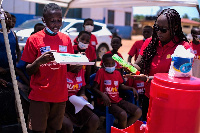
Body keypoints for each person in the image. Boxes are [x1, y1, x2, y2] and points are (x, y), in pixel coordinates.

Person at [125, 8, 191, 121]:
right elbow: (139, 64)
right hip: (149, 96)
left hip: (170, 100)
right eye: (156, 28)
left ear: (174, 28)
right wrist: (130, 68)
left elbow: (178, 78)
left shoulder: (183, 48)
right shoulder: (150, 43)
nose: (158, 32)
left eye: (163, 29)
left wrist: (148, 78)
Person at [21, 3, 74, 133]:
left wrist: (76, 65)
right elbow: (27, 70)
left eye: (59, 20)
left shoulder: (66, 39)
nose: (56, 24)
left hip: (60, 95)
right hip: (40, 95)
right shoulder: (34, 39)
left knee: (53, 129)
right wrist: (39, 61)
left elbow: (68, 66)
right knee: (38, 130)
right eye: (52, 21)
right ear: (44, 20)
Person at [91, 54, 142, 129]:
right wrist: (103, 95)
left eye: (112, 63)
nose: (110, 65)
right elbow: (94, 88)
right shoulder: (100, 72)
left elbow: (120, 86)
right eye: (107, 64)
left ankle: (122, 129)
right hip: (107, 103)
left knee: (138, 112)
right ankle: (122, 130)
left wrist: (131, 88)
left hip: (117, 100)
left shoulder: (117, 73)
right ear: (103, 64)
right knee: (122, 114)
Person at [61, 65, 99, 133]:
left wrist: (82, 94)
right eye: (77, 64)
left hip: (75, 102)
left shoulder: (79, 70)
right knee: (67, 126)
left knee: (94, 120)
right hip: (61, 103)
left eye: (81, 65)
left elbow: (82, 86)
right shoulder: (61, 71)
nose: (79, 67)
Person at [0, 11, 21, 82]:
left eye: (10, 19)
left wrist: (17, 62)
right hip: (1, 70)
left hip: (11, 69)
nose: (9, 20)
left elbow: (18, 50)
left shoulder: (13, 34)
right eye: (6, 18)